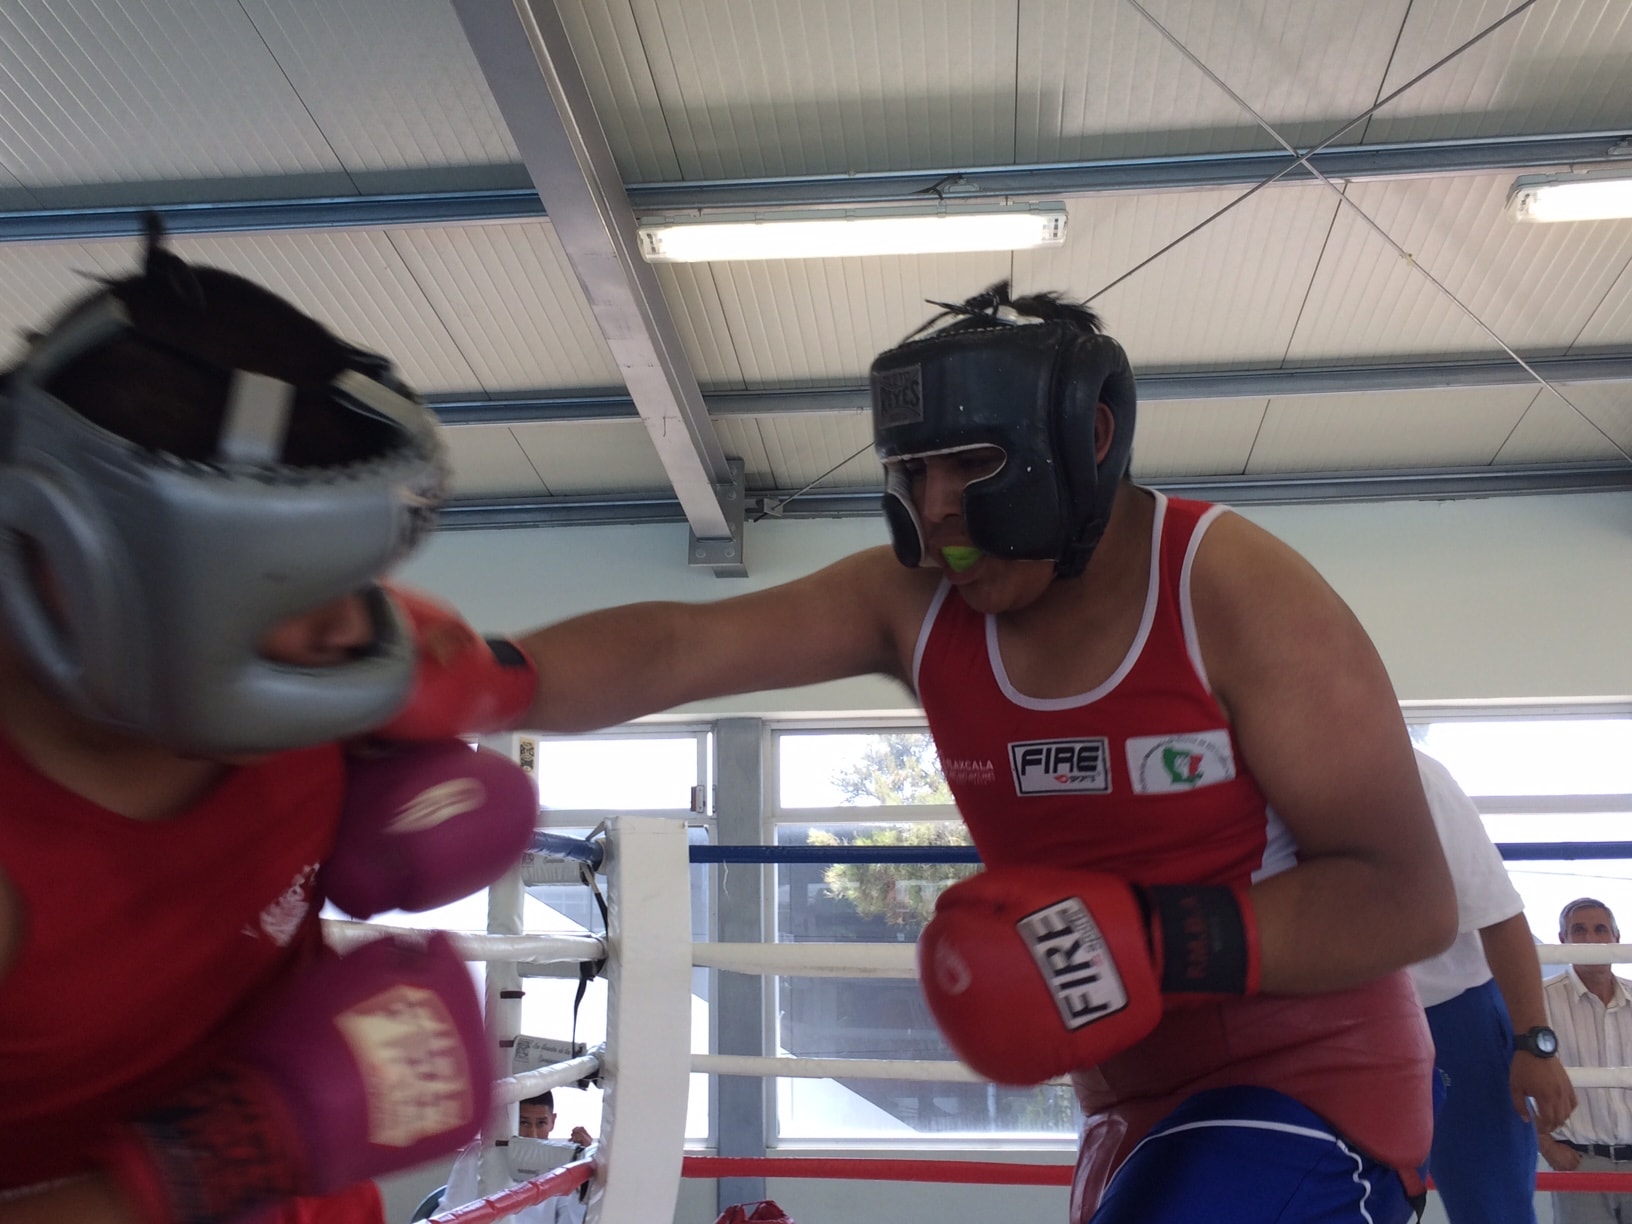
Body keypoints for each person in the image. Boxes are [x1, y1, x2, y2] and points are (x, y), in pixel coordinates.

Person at [407, 280, 1458, 1222]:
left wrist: (1155, 937)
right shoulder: (914, 605)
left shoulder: (1231, 591)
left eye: (974, 463)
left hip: (1316, 1094)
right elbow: (682, 647)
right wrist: (469, 678)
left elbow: (1407, 899)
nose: (939, 506)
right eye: (913, 468)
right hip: (1126, 1117)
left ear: (1086, 438)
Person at [0, 222, 539, 1224]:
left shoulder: (318, 683)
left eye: (358, 570)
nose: (353, 625)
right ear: (88, 570)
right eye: (289, 579)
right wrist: (209, 1162)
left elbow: (667, 652)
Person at [1407, 749, 1576, 1223]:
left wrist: (1535, 1045)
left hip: (1454, 1017)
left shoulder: (1418, 777)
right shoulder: (1263, 773)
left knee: (1492, 1211)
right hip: (1334, 1018)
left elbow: (1500, 914)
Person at [1540, 898, 1632, 1223]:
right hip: (1579, 1161)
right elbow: (1508, 1078)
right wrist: (1546, 1146)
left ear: (1616, 938)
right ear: (1563, 940)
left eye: (1600, 930)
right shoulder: (1540, 1001)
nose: (1591, 940)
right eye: (1579, 930)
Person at [435, 1092, 594, 1223]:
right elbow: (448, 1212)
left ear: (552, 1122)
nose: (532, 1134)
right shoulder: (477, 1154)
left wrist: (587, 1166)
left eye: (540, 1123)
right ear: (511, 1122)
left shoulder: (563, 1160)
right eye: (524, 1123)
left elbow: (572, 1220)